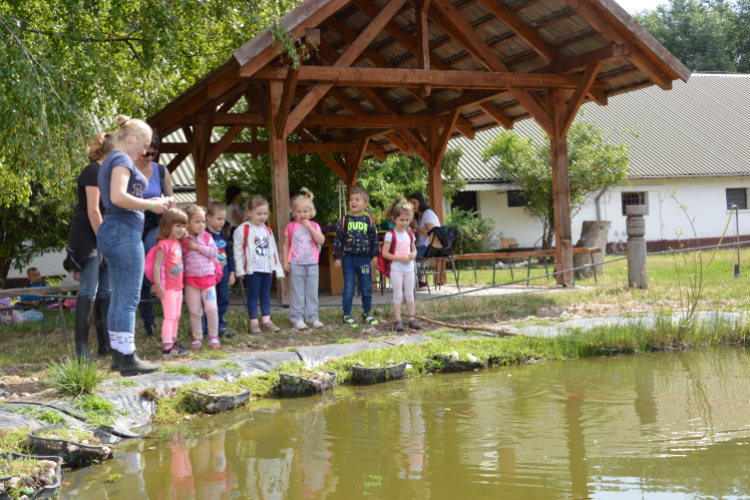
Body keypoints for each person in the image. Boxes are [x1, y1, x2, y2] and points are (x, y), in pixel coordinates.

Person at [97, 114, 168, 376]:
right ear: (131, 138)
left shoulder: (112, 159)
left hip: (113, 231)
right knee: (128, 299)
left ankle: (119, 355)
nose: (146, 150)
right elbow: (118, 196)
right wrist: (152, 205)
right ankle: (128, 359)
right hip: (123, 232)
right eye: (145, 144)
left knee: (119, 298)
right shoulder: (122, 158)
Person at [66, 132, 113, 361]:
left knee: (105, 290)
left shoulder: (109, 173)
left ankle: (105, 345)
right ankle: (81, 350)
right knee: (89, 289)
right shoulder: (92, 171)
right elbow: (94, 211)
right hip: (88, 235)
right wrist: (103, 243)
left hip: (101, 234)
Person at [135, 132, 176, 338]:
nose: (149, 157)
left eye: (153, 153)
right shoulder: (128, 169)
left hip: (155, 224)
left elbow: (172, 200)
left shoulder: (161, 171)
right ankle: (148, 323)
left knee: (152, 268)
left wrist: (177, 224)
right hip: (133, 223)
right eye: (146, 152)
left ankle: (170, 318)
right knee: (141, 276)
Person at [233, 195, 284, 333]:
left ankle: (267, 321)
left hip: (267, 268)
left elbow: (273, 249)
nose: (262, 217)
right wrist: (240, 270)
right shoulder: (244, 229)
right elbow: (238, 250)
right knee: (254, 295)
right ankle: (254, 322)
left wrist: (276, 267)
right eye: (259, 213)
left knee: (265, 294)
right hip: (252, 269)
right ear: (250, 213)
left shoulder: (267, 230)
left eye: (265, 213)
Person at [333, 188, 380, 329]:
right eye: (351, 199)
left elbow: (375, 241)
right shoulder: (344, 220)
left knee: (366, 288)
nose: (353, 202)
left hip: (365, 260)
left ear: (365, 204)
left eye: (357, 199)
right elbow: (337, 241)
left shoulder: (369, 221)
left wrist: (375, 255)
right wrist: (337, 257)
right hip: (348, 259)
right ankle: (347, 315)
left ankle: (367, 313)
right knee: (349, 288)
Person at [282, 188, 325, 330]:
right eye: (299, 211)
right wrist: (284, 261)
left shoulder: (314, 225)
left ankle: (312, 318)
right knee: (297, 293)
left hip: (312, 264)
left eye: (305, 211)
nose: (302, 214)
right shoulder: (290, 226)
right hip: (296, 264)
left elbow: (321, 240)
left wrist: (310, 228)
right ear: (293, 212)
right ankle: (297, 318)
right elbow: (286, 244)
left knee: (312, 293)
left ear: (311, 212)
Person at [181, 205, 222, 350]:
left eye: (203, 221)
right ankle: (197, 338)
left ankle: (213, 337)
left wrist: (197, 247)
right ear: (187, 223)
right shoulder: (183, 240)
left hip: (208, 280)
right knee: (195, 311)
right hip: (191, 280)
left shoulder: (206, 237)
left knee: (211, 308)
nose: (202, 225)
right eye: (197, 222)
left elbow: (214, 253)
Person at [152, 209, 189, 356]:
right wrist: (158, 285)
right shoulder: (164, 244)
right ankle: (167, 347)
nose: (182, 229)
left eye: (183, 226)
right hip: (168, 288)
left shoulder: (177, 243)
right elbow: (156, 265)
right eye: (178, 226)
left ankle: (172, 343)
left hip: (178, 287)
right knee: (170, 316)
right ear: (168, 225)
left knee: (177, 315)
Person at [381, 199, 421, 332]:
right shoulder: (390, 234)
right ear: (394, 218)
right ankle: (398, 321)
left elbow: (413, 249)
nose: (405, 223)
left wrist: (413, 254)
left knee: (410, 294)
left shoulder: (409, 234)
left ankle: (411, 319)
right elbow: (385, 253)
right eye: (402, 220)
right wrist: (401, 259)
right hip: (396, 269)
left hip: (409, 269)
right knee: (398, 295)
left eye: (407, 220)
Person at [203, 201, 236, 339]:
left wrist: (232, 272)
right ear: (208, 217)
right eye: (219, 218)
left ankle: (221, 326)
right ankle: (206, 329)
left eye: (224, 219)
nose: (222, 222)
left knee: (223, 300)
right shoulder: (203, 235)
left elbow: (228, 254)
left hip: (223, 275)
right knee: (209, 302)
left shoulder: (222, 236)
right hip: (209, 275)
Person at [408, 193, 441, 288]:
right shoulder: (418, 216)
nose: (412, 205)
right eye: (410, 203)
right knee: (403, 254)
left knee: (409, 257)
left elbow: (430, 233)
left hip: (431, 246)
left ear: (421, 202)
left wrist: (417, 227)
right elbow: (418, 233)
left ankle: (421, 279)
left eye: (414, 202)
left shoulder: (428, 213)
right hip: (422, 245)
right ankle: (417, 281)